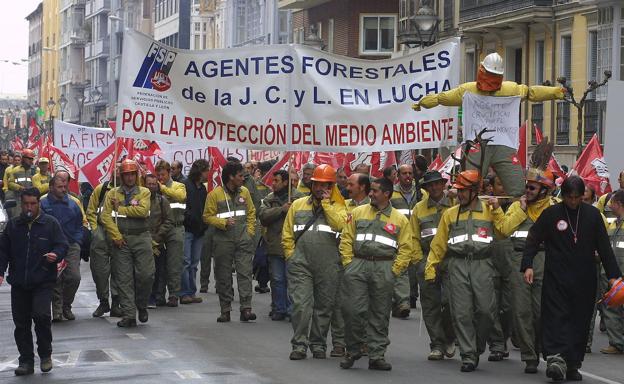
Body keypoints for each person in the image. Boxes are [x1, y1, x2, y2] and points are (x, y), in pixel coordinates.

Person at [413, 52, 565, 197]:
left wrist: (424, 102)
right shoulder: (477, 90)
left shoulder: (484, 90)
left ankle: (517, 210)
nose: (490, 81)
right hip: (483, 144)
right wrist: (555, 91)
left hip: (497, 145)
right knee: (469, 184)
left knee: (516, 188)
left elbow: (443, 98)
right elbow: (531, 92)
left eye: (493, 76)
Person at [521, 176, 622, 381]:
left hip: (585, 279)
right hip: (556, 277)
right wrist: (528, 265)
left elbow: (604, 249)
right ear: (564, 196)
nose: (573, 202)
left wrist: (613, 277)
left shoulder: (593, 216)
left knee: (580, 321)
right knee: (556, 318)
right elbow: (533, 238)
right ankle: (555, 359)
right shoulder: (551, 214)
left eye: (577, 198)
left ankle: (573, 364)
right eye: (569, 198)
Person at [425, 170, 504, 372]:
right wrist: (431, 268)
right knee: (461, 313)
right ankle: (468, 355)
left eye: (463, 191)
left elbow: (504, 230)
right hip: (457, 265)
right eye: (458, 190)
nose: (458, 194)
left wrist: (497, 210)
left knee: (486, 311)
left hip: (483, 264)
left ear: (474, 191)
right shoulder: (450, 214)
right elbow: (438, 244)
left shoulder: (489, 210)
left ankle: (477, 347)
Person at [339, 177, 413, 371]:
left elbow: (406, 248)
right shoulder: (357, 212)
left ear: (387, 194)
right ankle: (353, 350)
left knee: (380, 313)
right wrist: (348, 263)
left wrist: (394, 271)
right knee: (353, 310)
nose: (371, 193)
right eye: (371, 190)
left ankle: (376, 355)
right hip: (358, 265)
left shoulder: (399, 219)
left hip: (384, 267)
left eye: (375, 191)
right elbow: (346, 238)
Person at [0, 187, 69, 376]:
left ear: (39, 203)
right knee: (21, 324)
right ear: (22, 204)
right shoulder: (14, 226)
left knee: (41, 316)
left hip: (43, 280)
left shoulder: (50, 224)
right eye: (26, 204)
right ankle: (26, 361)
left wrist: (56, 254)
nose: (29, 208)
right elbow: (3, 250)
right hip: (19, 283)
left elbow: (62, 244)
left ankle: (45, 354)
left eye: (33, 203)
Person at [498, 164, 558, 373]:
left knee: (543, 310)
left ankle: (544, 348)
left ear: (544, 190)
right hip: (519, 260)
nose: (528, 191)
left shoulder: (554, 207)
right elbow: (504, 229)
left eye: (532, 188)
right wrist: (521, 212)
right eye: (527, 187)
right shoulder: (517, 206)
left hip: (546, 261)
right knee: (521, 311)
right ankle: (529, 356)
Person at [282, 164, 346, 360]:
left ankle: (318, 344)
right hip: (301, 264)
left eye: (326, 185)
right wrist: (291, 256)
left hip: (329, 266)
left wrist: (327, 205)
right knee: (301, 305)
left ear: (332, 186)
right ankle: (299, 344)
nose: (320, 188)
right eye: (317, 184)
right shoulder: (298, 204)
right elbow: (287, 233)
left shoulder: (340, 207)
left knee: (324, 308)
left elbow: (340, 225)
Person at [100, 159, 154, 328]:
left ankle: (142, 304)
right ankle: (129, 314)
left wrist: (120, 208)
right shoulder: (112, 193)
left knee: (146, 275)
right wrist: (115, 235)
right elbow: (105, 216)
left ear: (136, 175)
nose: (129, 178)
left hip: (142, 238)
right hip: (121, 239)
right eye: (126, 175)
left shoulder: (144, 192)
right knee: (123, 278)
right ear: (121, 176)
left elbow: (142, 211)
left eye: (132, 174)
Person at [203, 161, 257, 322]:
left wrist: (250, 232)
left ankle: (246, 308)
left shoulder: (245, 192)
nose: (243, 178)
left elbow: (251, 212)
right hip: (223, 240)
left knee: (245, 273)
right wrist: (223, 223)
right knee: (223, 275)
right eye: (240, 175)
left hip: (243, 239)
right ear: (231, 177)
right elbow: (207, 216)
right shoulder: (215, 194)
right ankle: (225, 309)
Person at [411, 170, 456, 361]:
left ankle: (449, 336)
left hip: (451, 261)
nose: (435, 187)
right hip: (427, 260)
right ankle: (437, 344)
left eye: (438, 183)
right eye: (431, 185)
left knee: (452, 302)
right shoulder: (419, 209)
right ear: (426, 188)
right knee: (430, 305)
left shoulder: (456, 203)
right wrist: (420, 262)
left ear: (443, 184)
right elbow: (413, 238)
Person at [258, 169, 303, 321]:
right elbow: (263, 216)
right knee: (277, 279)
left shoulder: (299, 198)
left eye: (276, 181)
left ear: (285, 182)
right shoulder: (269, 198)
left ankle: (292, 310)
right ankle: (279, 308)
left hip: (294, 246)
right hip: (275, 245)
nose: (273, 184)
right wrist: (281, 210)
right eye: (273, 181)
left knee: (293, 280)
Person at [39, 175, 84, 322]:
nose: (63, 190)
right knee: (55, 278)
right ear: (51, 187)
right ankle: (57, 310)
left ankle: (67, 305)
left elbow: (80, 224)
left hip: (70, 245)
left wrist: (77, 241)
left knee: (74, 277)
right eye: (59, 187)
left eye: (65, 187)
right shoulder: (43, 203)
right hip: (52, 246)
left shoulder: (73, 204)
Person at [390, 164, 422, 317]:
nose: (408, 176)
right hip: (398, 236)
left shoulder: (421, 192)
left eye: (410, 173)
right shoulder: (392, 193)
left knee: (413, 269)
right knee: (401, 268)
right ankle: (402, 301)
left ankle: (411, 296)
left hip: (416, 236)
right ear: (398, 175)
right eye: (404, 173)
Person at [155, 160, 186, 307]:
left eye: (163, 174)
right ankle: (159, 295)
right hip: (159, 229)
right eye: (158, 175)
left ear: (169, 173)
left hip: (175, 228)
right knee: (159, 264)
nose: (160, 177)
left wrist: (162, 188)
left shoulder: (178, 186)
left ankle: (174, 294)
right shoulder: (154, 188)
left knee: (174, 263)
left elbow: (180, 197)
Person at [180, 159, 209, 305]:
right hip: (188, 228)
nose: (208, 174)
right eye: (206, 171)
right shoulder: (186, 186)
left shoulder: (203, 189)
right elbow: (183, 207)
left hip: (199, 230)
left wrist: (204, 224)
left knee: (194, 263)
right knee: (186, 261)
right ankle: (185, 292)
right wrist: (189, 218)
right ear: (200, 171)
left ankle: (191, 292)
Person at [599, 190, 624, 354]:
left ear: (619, 204)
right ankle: (616, 343)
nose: (609, 205)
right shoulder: (613, 224)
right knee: (611, 308)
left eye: (612, 202)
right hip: (613, 274)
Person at [144, 174, 174, 308]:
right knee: (142, 272)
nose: (151, 186)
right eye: (148, 184)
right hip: (141, 242)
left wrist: (158, 236)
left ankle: (154, 297)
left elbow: (169, 221)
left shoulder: (162, 201)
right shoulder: (137, 200)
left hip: (157, 243)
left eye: (153, 184)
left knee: (156, 271)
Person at [7, 149, 37, 217]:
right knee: (18, 219)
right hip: (19, 200)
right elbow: (10, 183)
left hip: (32, 201)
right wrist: (19, 187)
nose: (31, 160)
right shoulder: (15, 170)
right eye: (29, 158)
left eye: (32, 158)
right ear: (23, 158)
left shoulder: (35, 170)